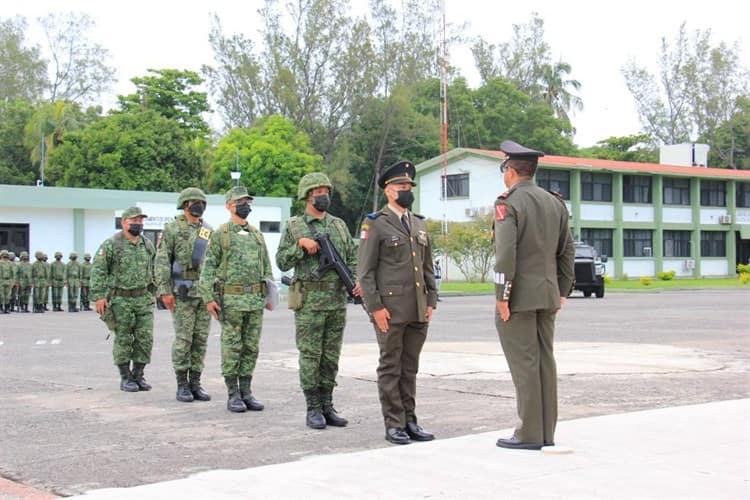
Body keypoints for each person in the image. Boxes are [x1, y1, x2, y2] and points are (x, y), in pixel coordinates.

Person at [492, 140, 575, 451]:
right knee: (544, 362)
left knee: (525, 363)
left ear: (510, 171)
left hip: (518, 298)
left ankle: (528, 433)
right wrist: (563, 289)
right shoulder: (555, 203)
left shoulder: (508, 203)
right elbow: (567, 251)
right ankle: (545, 432)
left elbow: (505, 256)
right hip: (548, 294)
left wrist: (502, 295)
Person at [357, 160, 438, 445]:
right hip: (390, 311)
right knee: (391, 367)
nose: (407, 191)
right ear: (389, 191)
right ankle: (394, 424)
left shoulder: (419, 223)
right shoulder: (375, 224)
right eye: (401, 187)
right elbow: (365, 273)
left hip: (417, 309)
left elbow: (427, 268)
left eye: (409, 187)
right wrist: (375, 308)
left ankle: (410, 421)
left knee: (410, 368)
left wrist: (432, 300)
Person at [276, 172, 360, 429]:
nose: (324, 195)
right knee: (311, 355)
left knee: (331, 356)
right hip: (309, 301)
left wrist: (357, 281)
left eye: (326, 191)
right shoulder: (294, 226)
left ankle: (327, 404)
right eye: (318, 191)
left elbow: (352, 257)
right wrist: (300, 246)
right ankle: (312, 407)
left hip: (336, 300)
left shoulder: (338, 225)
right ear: (307, 195)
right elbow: (281, 261)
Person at [198, 186, 273, 413]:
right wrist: (208, 297)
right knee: (232, 347)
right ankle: (233, 394)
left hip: (254, 301)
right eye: (240, 202)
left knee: (251, 347)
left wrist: (269, 296)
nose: (245, 206)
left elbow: (266, 267)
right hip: (231, 301)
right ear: (229, 206)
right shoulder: (221, 234)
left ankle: (247, 392)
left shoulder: (256, 234)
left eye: (248, 202)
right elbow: (208, 267)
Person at [155, 187, 213, 403]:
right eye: (196, 202)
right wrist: (164, 290)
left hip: (203, 292)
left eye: (203, 202)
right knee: (183, 339)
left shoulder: (207, 230)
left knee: (200, 339)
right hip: (181, 291)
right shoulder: (172, 229)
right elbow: (162, 260)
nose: (200, 206)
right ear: (185, 204)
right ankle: (182, 385)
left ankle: (195, 383)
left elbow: (213, 263)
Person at [90, 206, 157, 393]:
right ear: (123, 222)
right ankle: (125, 376)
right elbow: (98, 270)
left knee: (145, 338)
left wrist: (154, 292)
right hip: (121, 299)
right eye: (134, 220)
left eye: (140, 220)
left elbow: (154, 269)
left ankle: (138, 374)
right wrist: (99, 296)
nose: (138, 223)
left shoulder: (146, 245)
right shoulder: (112, 244)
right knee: (124, 338)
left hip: (142, 298)